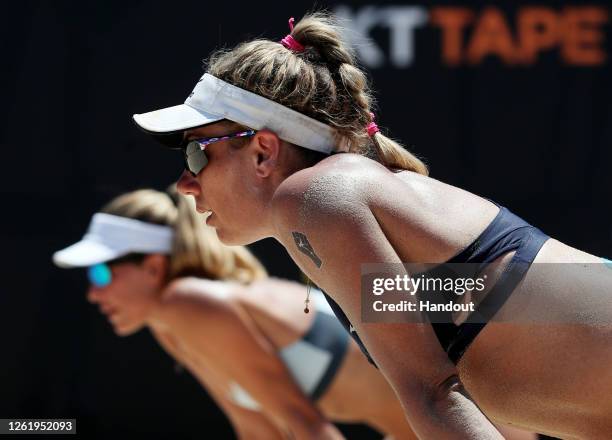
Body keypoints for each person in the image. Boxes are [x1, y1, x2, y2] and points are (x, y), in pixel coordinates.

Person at [131, 11, 612, 439]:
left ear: (263, 151)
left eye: (197, 153)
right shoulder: (341, 207)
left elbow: (435, 392)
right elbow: (508, 338)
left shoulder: (312, 200)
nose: (185, 184)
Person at [54, 188, 433, 439]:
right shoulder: (170, 323)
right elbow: (255, 429)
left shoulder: (187, 302)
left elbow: (309, 427)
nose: (92, 292)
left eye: (101, 272)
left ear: (153, 267)